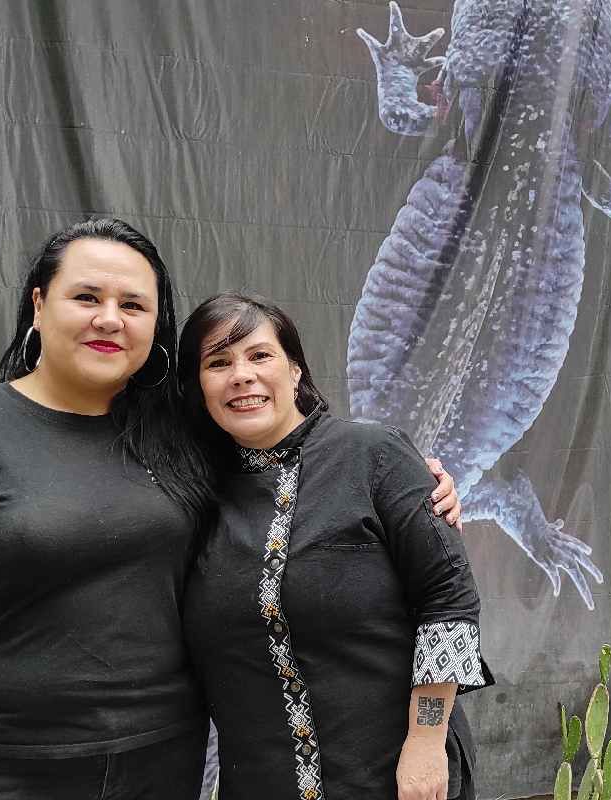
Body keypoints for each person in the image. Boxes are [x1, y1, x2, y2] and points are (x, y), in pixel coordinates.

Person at [0, 219, 462, 800]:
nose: (109, 318)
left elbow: (436, 585)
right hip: (2, 764)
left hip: (162, 759)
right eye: (86, 296)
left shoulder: (179, 443)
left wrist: (423, 486)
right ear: (39, 304)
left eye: (133, 304)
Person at [177, 292, 491, 800]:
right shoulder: (196, 498)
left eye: (259, 356)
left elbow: (448, 602)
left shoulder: (375, 456)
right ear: (199, 386)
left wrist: (427, 742)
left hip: (392, 776)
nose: (241, 374)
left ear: (295, 370)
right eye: (218, 362)